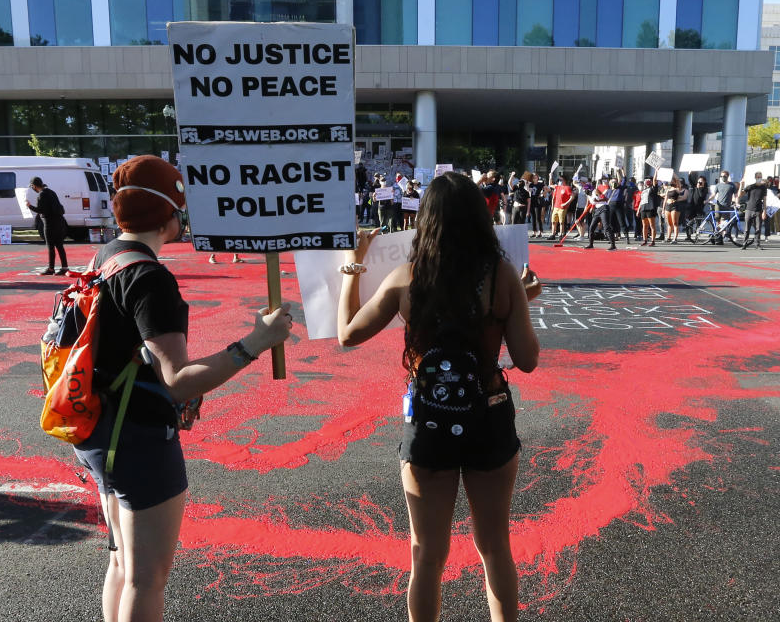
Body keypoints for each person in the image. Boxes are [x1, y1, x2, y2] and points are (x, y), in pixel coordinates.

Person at [74, 155, 292, 622]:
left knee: (123, 564)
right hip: (135, 437)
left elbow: (134, 352)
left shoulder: (109, 255)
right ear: (167, 212)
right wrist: (258, 342)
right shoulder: (150, 278)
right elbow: (176, 381)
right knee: (146, 578)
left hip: (100, 426)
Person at [336, 171, 540, 622]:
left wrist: (353, 265)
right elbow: (526, 359)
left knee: (426, 555)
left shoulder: (407, 278)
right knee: (494, 548)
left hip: (429, 422)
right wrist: (524, 301)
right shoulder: (502, 276)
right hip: (489, 417)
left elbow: (347, 334)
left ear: (425, 221)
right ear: (481, 218)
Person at [27, 176, 69, 275]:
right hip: (59, 222)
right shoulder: (51, 192)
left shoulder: (42, 195)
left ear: (34, 186)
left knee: (50, 246)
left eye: (32, 186)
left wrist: (29, 206)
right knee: (59, 245)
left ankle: (51, 268)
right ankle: (65, 267)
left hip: (49, 223)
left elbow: (41, 210)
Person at [584, 178, 616, 250]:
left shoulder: (595, 191)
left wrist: (598, 200)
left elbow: (606, 199)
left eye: (586, 190)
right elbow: (591, 203)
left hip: (604, 208)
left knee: (606, 226)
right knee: (591, 227)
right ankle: (591, 244)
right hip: (597, 210)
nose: (585, 192)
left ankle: (613, 245)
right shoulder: (588, 196)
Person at [739, 172, 768, 250]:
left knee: (758, 228)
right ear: (755, 178)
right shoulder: (751, 187)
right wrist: (741, 185)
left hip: (758, 210)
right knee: (746, 228)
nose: (759, 178)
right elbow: (740, 195)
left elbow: (765, 200)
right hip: (749, 209)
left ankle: (757, 244)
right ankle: (744, 244)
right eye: (758, 177)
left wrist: (764, 211)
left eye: (760, 177)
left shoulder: (764, 187)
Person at [638, 177, 662, 246]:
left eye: (649, 180)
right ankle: (645, 240)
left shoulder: (653, 188)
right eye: (646, 180)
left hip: (650, 208)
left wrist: (656, 171)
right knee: (644, 225)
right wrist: (638, 210)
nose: (647, 181)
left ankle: (653, 241)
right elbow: (641, 200)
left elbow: (654, 181)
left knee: (652, 225)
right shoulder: (643, 190)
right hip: (643, 208)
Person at [662, 177, 684, 243]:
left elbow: (678, 181)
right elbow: (665, 199)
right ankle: (668, 237)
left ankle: (675, 238)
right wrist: (663, 208)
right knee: (669, 223)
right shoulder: (668, 189)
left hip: (675, 205)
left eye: (672, 181)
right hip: (668, 206)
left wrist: (673, 174)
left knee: (675, 222)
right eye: (670, 181)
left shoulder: (677, 189)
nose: (671, 182)